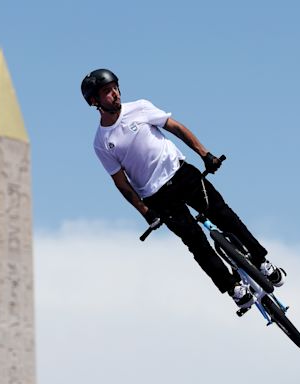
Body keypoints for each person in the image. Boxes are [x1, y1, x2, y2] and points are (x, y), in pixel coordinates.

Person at [81, 68, 286, 308]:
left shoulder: (140, 107)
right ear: (95, 101)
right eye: (107, 91)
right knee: (196, 243)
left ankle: (262, 261)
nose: (114, 94)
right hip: (157, 196)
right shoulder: (101, 142)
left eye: (115, 87)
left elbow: (175, 127)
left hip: (182, 174)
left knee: (223, 214)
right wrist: (145, 212)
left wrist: (205, 154)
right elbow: (120, 182)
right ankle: (234, 289)